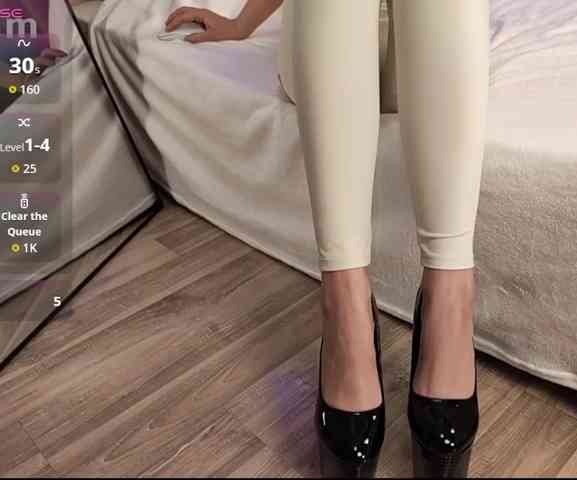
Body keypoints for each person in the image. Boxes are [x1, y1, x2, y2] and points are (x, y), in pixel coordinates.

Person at [165, 1, 489, 477]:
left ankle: (449, 304)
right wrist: (242, 23)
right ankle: (347, 309)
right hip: (327, 44)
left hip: (429, 48)